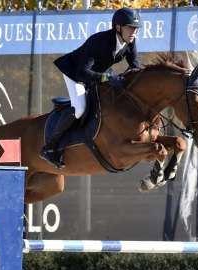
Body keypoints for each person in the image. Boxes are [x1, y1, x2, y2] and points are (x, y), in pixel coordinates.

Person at [40, 7, 142, 169]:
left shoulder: (130, 41)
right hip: (75, 72)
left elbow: (135, 66)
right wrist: (106, 78)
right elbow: (82, 72)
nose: (134, 32)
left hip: (99, 72)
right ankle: (50, 147)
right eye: (130, 27)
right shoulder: (100, 42)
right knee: (80, 108)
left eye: (135, 29)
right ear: (118, 27)